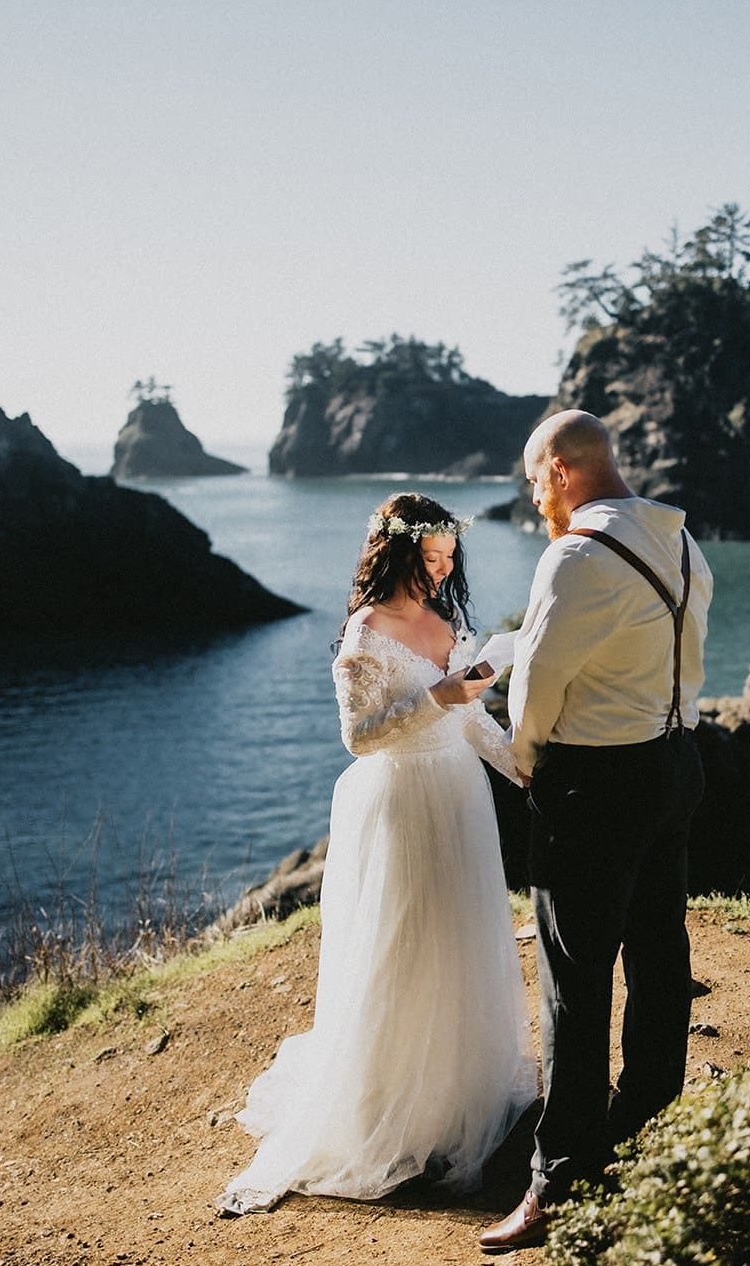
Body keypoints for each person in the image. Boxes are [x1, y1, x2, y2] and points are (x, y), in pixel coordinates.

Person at [216, 493, 536, 1215]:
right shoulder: (365, 632)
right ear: (396, 553)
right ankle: (392, 1108)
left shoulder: (446, 621)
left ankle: (456, 1095)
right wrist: (441, 695)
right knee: (401, 946)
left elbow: (471, 718)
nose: (442, 571)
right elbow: (359, 737)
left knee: (457, 939)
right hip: (399, 800)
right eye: (430, 558)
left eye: (450, 558)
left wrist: (521, 768)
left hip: (458, 793)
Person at [479, 411, 713, 1251]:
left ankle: (563, 1180)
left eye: (536, 477)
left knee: (574, 985)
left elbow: (540, 679)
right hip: (673, 763)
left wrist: (527, 757)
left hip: (595, 783)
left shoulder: (575, 555)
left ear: (565, 469)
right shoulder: (682, 544)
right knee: (659, 957)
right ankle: (652, 1142)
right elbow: (675, 661)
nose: (534, 493)